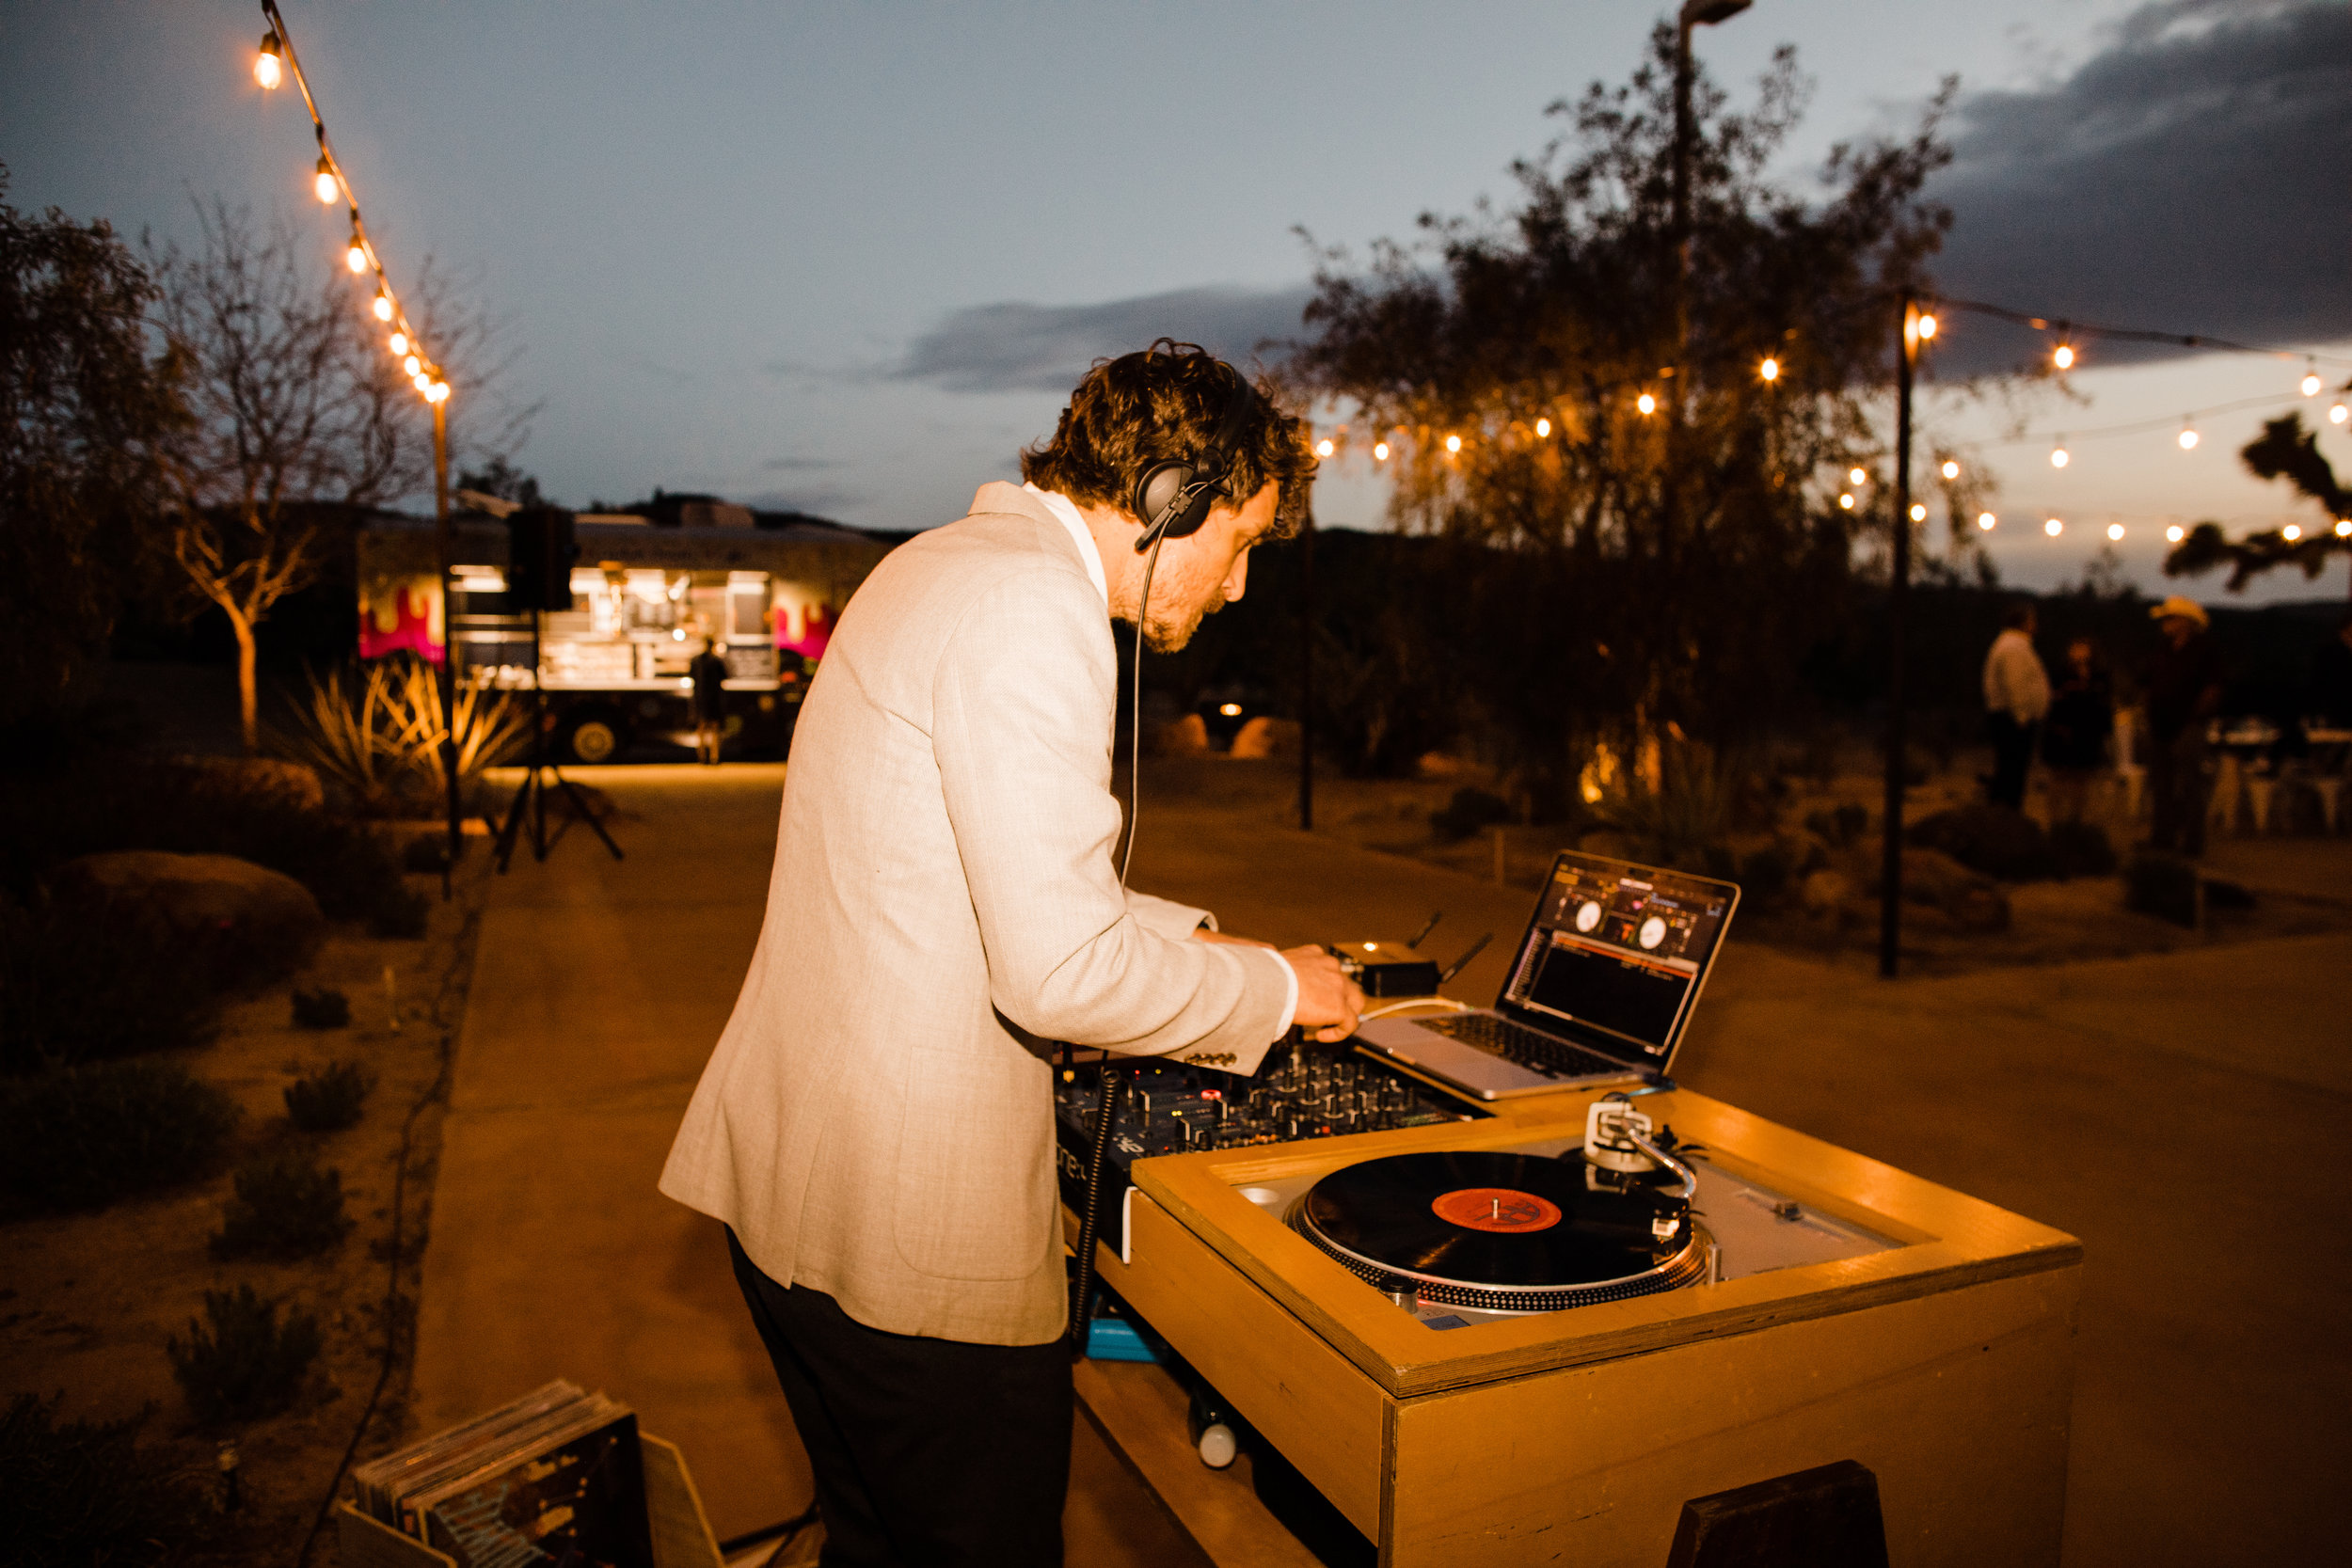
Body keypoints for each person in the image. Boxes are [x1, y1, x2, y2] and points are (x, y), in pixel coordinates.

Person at [658, 343, 1362, 1567]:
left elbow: (984, 874)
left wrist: (1223, 949)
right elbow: (1055, 970)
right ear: (1168, 500)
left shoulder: (939, 562)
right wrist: (1273, 993)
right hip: (905, 1250)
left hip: (794, 1201)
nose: (1240, 586)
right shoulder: (1036, 610)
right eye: (1238, 542)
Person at [2142, 594, 2224, 855]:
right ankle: (2162, 836)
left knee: (2190, 784)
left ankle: (2192, 842)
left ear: (2187, 622)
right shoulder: (2163, 648)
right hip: (2160, 725)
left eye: (2171, 618)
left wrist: (2195, 719)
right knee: (2161, 783)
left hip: (2189, 725)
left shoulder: (2205, 650)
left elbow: (2213, 688)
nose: (2166, 623)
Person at [1981, 602, 2050, 812]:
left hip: (2013, 718)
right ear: (2024, 622)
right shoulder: (2012, 647)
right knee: (2012, 770)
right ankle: (2006, 815)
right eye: (2032, 620)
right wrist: (2021, 716)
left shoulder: (2014, 645)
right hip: (2013, 719)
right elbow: (2015, 683)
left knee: (2012, 769)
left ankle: (2005, 813)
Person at [2041, 635, 2114, 823]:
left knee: (2081, 780)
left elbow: (2104, 705)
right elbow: (2049, 699)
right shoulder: (2058, 672)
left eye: (2083, 648)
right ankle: (2055, 821)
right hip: (2061, 732)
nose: (2079, 652)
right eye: (2075, 648)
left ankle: (2075, 821)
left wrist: (2106, 732)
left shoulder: (2100, 674)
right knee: (2058, 778)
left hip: (2087, 735)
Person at [689, 637, 730, 765]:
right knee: (714, 728)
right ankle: (714, 756)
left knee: (701, 727)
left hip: (699, 698)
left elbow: (691, 676)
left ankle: (701, 756)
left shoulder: (696, 660)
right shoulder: (716, 661)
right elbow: (725, 676)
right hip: (714, 698)